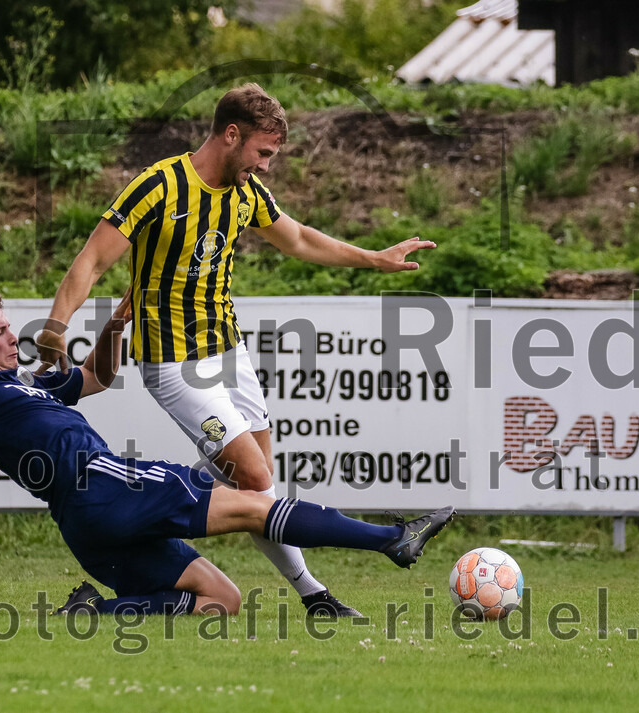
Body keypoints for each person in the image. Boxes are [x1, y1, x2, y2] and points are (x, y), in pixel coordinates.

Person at [37, 83, 437, 617]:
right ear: (231, 135)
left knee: (257, 480)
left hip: (230, 351)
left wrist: (374, 258)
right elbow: (92, 260)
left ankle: (155, 513)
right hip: (174, 362)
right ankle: (324, 586)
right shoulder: (158, 186)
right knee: (254, 479)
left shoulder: (247, 193)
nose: (266, 166)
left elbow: (299, 239)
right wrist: (56, 325)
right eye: (262, 152)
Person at [0, 287, 455, 616]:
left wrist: (119, 320)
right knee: (255, 501)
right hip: (108, 486)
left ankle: (97, 609)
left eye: (7, 326)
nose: (10, 336)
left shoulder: (20, 384)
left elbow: (95, 378)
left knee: (221, 600)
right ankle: (392, 539)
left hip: (87, 524)